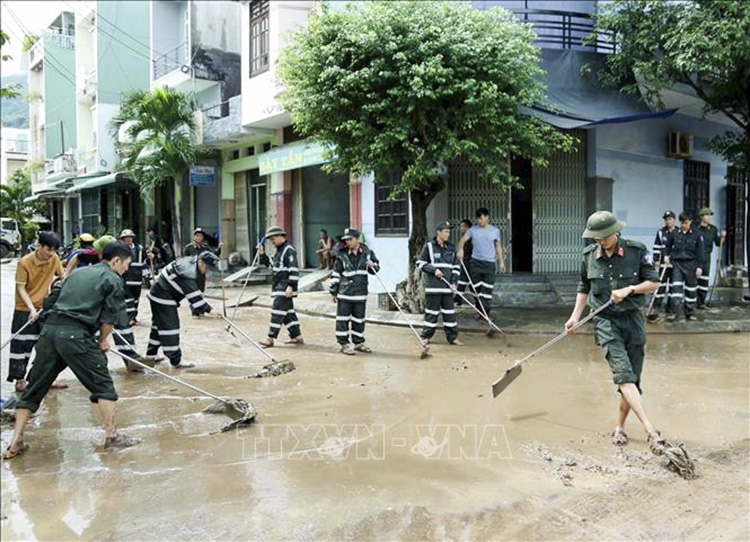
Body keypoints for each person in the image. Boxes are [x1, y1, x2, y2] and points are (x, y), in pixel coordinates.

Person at [3, 242, 141, 459]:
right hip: (76, 336)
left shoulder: (77, 273)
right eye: (126, 265)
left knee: (34, 388)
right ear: (116, 261)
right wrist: (104, 340)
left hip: (49, 333)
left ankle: (15, 442)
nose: (126, 269)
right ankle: (112, 437)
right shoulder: (112, 278)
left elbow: (50, 301)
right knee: (103, 385)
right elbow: (109, 317)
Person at [565, 211, 665, 450]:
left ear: (615, 232)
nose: (599, 241)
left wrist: (629, 289)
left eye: (603, 237)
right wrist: (574, 317)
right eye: (595, 237)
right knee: (623, 375)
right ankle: (650, 429)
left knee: (632, 380)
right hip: (605, 322)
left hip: (633, 321)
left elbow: (653, 284)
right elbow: (584, 286)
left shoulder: (637, 250)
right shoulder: (589, 255)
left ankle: (620, 426)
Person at [8, 232, 65, 392]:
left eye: (54, 250)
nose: (51, 253)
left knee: (48, 345)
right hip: (24, 309)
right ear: (39, 245)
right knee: (22, 345)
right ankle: (20, 381)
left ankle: (43, 379)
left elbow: (63, 276)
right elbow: (21, 287)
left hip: (44, 308)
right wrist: (31, 309)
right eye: (48, 249)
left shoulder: (54, 259)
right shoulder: (24, 262)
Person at [145, 252, 218, 368]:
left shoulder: (192, 263)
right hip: (163, 296)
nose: (207, 271)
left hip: (159, 293)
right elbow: (195, 300)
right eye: (207, 267)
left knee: (159, 325)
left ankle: (151, 355)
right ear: (200, 262)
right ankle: (176, 361)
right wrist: (211, 310)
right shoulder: (187, 273)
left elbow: (196, 290)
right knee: (170, 327)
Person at [329, 227, 379, 355]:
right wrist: (333, 291)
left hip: (360, 293)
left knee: (359, 320)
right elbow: (336, 273)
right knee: (342, 320)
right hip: (345, 293)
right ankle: (344, 344)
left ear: (357, 239)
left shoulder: (368, 253)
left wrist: (372, 265)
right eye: (346, 240)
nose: (347, 242)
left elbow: (376, 270)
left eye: (350, 239)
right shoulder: (341, 255)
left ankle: (358, 343)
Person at [418, 221, 463, 346]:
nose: (448, 234)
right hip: (434, 288)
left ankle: (452, 338)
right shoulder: (429, 247)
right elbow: (420, 263)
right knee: (431, 314)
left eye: (449, 232)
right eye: (446, 231)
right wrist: (434, 270)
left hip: (448, 288)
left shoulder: (452, 248)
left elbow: (456, 267)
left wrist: (454, 283)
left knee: (450, 314)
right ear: (439, 232)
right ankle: (425, 336)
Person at [258, 226, 304, 348]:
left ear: (280, 236)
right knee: (288, 313)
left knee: (277, 310)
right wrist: (262, 255)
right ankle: (296, 336)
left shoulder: (289, 250)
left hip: (284, 287)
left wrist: (291, 286)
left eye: (273, 239)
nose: (272, 241)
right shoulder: (278, 250)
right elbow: (272, 266)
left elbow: (293, 269)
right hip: (279, 286)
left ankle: (270, 338)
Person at [457, 208, 505, 318]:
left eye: (481, 218)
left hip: (489, 264)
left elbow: (498, 246)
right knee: (477, 290)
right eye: (478, 218)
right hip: (476, 264)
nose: (479, 221)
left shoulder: (495, 231)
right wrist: (461, 250)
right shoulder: (473, 230)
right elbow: (462, 241)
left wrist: (501, 262)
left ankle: (485, 312)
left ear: (487, 217)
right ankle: (481, 311)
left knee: (487, 290)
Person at [664, 212, 705, 322]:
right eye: (682, 223)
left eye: (686, 223)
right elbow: (667, 246)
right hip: (677, 264)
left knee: (691, 290)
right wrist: (666, 256)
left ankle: (690, 313)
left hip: (691, 264)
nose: (684, 225)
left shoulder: (697, 234)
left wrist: (700, 267)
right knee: (676, 289)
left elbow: (701, 252)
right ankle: (674, 313)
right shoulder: (674, 233)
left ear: (690, 222)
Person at [648, 211, 677, 321]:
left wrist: (672, 257)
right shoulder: (661, 232)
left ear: (674, 220)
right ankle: (656, 306)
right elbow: (656, 247)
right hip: (663, 265)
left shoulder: (678, 232)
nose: (668, 221)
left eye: (670, 219)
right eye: (666, 219)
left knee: (673, 287)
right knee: (660, 286)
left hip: (674, 265)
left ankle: (670, 307)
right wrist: (656, 261)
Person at [696, 207, 726, 309]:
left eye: (710, 215)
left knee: (704, 280)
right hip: (695, 257)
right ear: (701, 217)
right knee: (694, 280)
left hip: (706, 257)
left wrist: (722, 237)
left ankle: (701, 302)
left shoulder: (713, 229)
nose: (709, 217)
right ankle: (692, 302)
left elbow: (718, 243)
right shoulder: (695, 228)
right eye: (707, 215)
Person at [119, 229, 148, 325]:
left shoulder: (140, 249)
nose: (128, 240)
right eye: (126, 238)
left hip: (137, 278)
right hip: (125, 278)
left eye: (130, 237)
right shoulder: (120, 250)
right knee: (128, 298)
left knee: (136, 299)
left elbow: (145, 262)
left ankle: (133, 316)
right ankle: (130, 317)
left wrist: (150, 257)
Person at [455, 219, 473, 305]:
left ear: (468, 227)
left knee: (470, 282)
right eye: (460, 226)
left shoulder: (471, 238)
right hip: (464, 262)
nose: (461, 228)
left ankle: (480, 303)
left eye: (463, 226)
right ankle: (457, 299)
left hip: (470, 262)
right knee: (463, 280)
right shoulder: (464, 237)